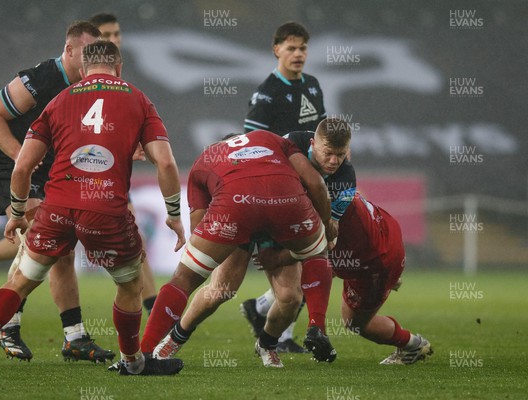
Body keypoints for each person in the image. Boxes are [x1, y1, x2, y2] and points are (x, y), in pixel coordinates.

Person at [0, 40, 186, 378]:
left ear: (85, 68)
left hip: (56, 208)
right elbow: (165, 162)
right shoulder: (138, 99)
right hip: (105, 212)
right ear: (118, 67)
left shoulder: (59, 100)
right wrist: (174, 215)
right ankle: (132, 361)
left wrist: (16, 211)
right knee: (130, 286)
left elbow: (22, 167)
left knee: (19, 282)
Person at [0, 21, 115, 363]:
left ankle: (75, 337)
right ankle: (8, 325)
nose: (90, 63)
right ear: (67, 51)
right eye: (85, 54)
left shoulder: (88, 86)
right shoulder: (39, 79)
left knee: (62, 249)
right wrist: (19, 155)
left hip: (47, 170)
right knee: (39, 237)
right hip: (12, 168)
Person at [153, 119, 347, 364]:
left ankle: (267, 344)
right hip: (240, 220)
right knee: (221, 290)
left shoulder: (284, 152)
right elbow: (200, 228)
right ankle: (173, 340)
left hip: (277, 218)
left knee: (290, 298)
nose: (334, 160)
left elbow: (314, 189)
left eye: (338, 155)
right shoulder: (224, 166)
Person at [249, 119, 433, 365]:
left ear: (349, 152)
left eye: (340, 155)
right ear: (312, 145)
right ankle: (269, 320)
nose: (334, 161)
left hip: (375, 259)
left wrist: (277, 257)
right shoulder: (298, 157)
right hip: (369, 236)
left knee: (355, 324)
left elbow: (322, 245)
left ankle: (412, 344)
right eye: (329, 153)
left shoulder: (335, 195)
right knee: (302, 281)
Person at [242, 21, 328, 353]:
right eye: (291, 48)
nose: (298, 54)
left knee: (311, 256)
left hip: (309, 181)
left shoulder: (314, 86)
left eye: (303, 48)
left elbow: (322, 132)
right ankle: (281, 332)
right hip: (281, 187)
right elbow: (251, 141)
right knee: (300, 257)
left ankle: (261, 308)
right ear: (276, 49)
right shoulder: (267, 92)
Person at [89, 12, 158, 316]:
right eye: (106, 35)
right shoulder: (84, 83)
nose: (114, 40)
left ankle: (153, 307)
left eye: (117, 34)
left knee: (135, 240)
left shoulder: (120, 83)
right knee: (47, 255)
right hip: (74, 179)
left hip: (109, 178)